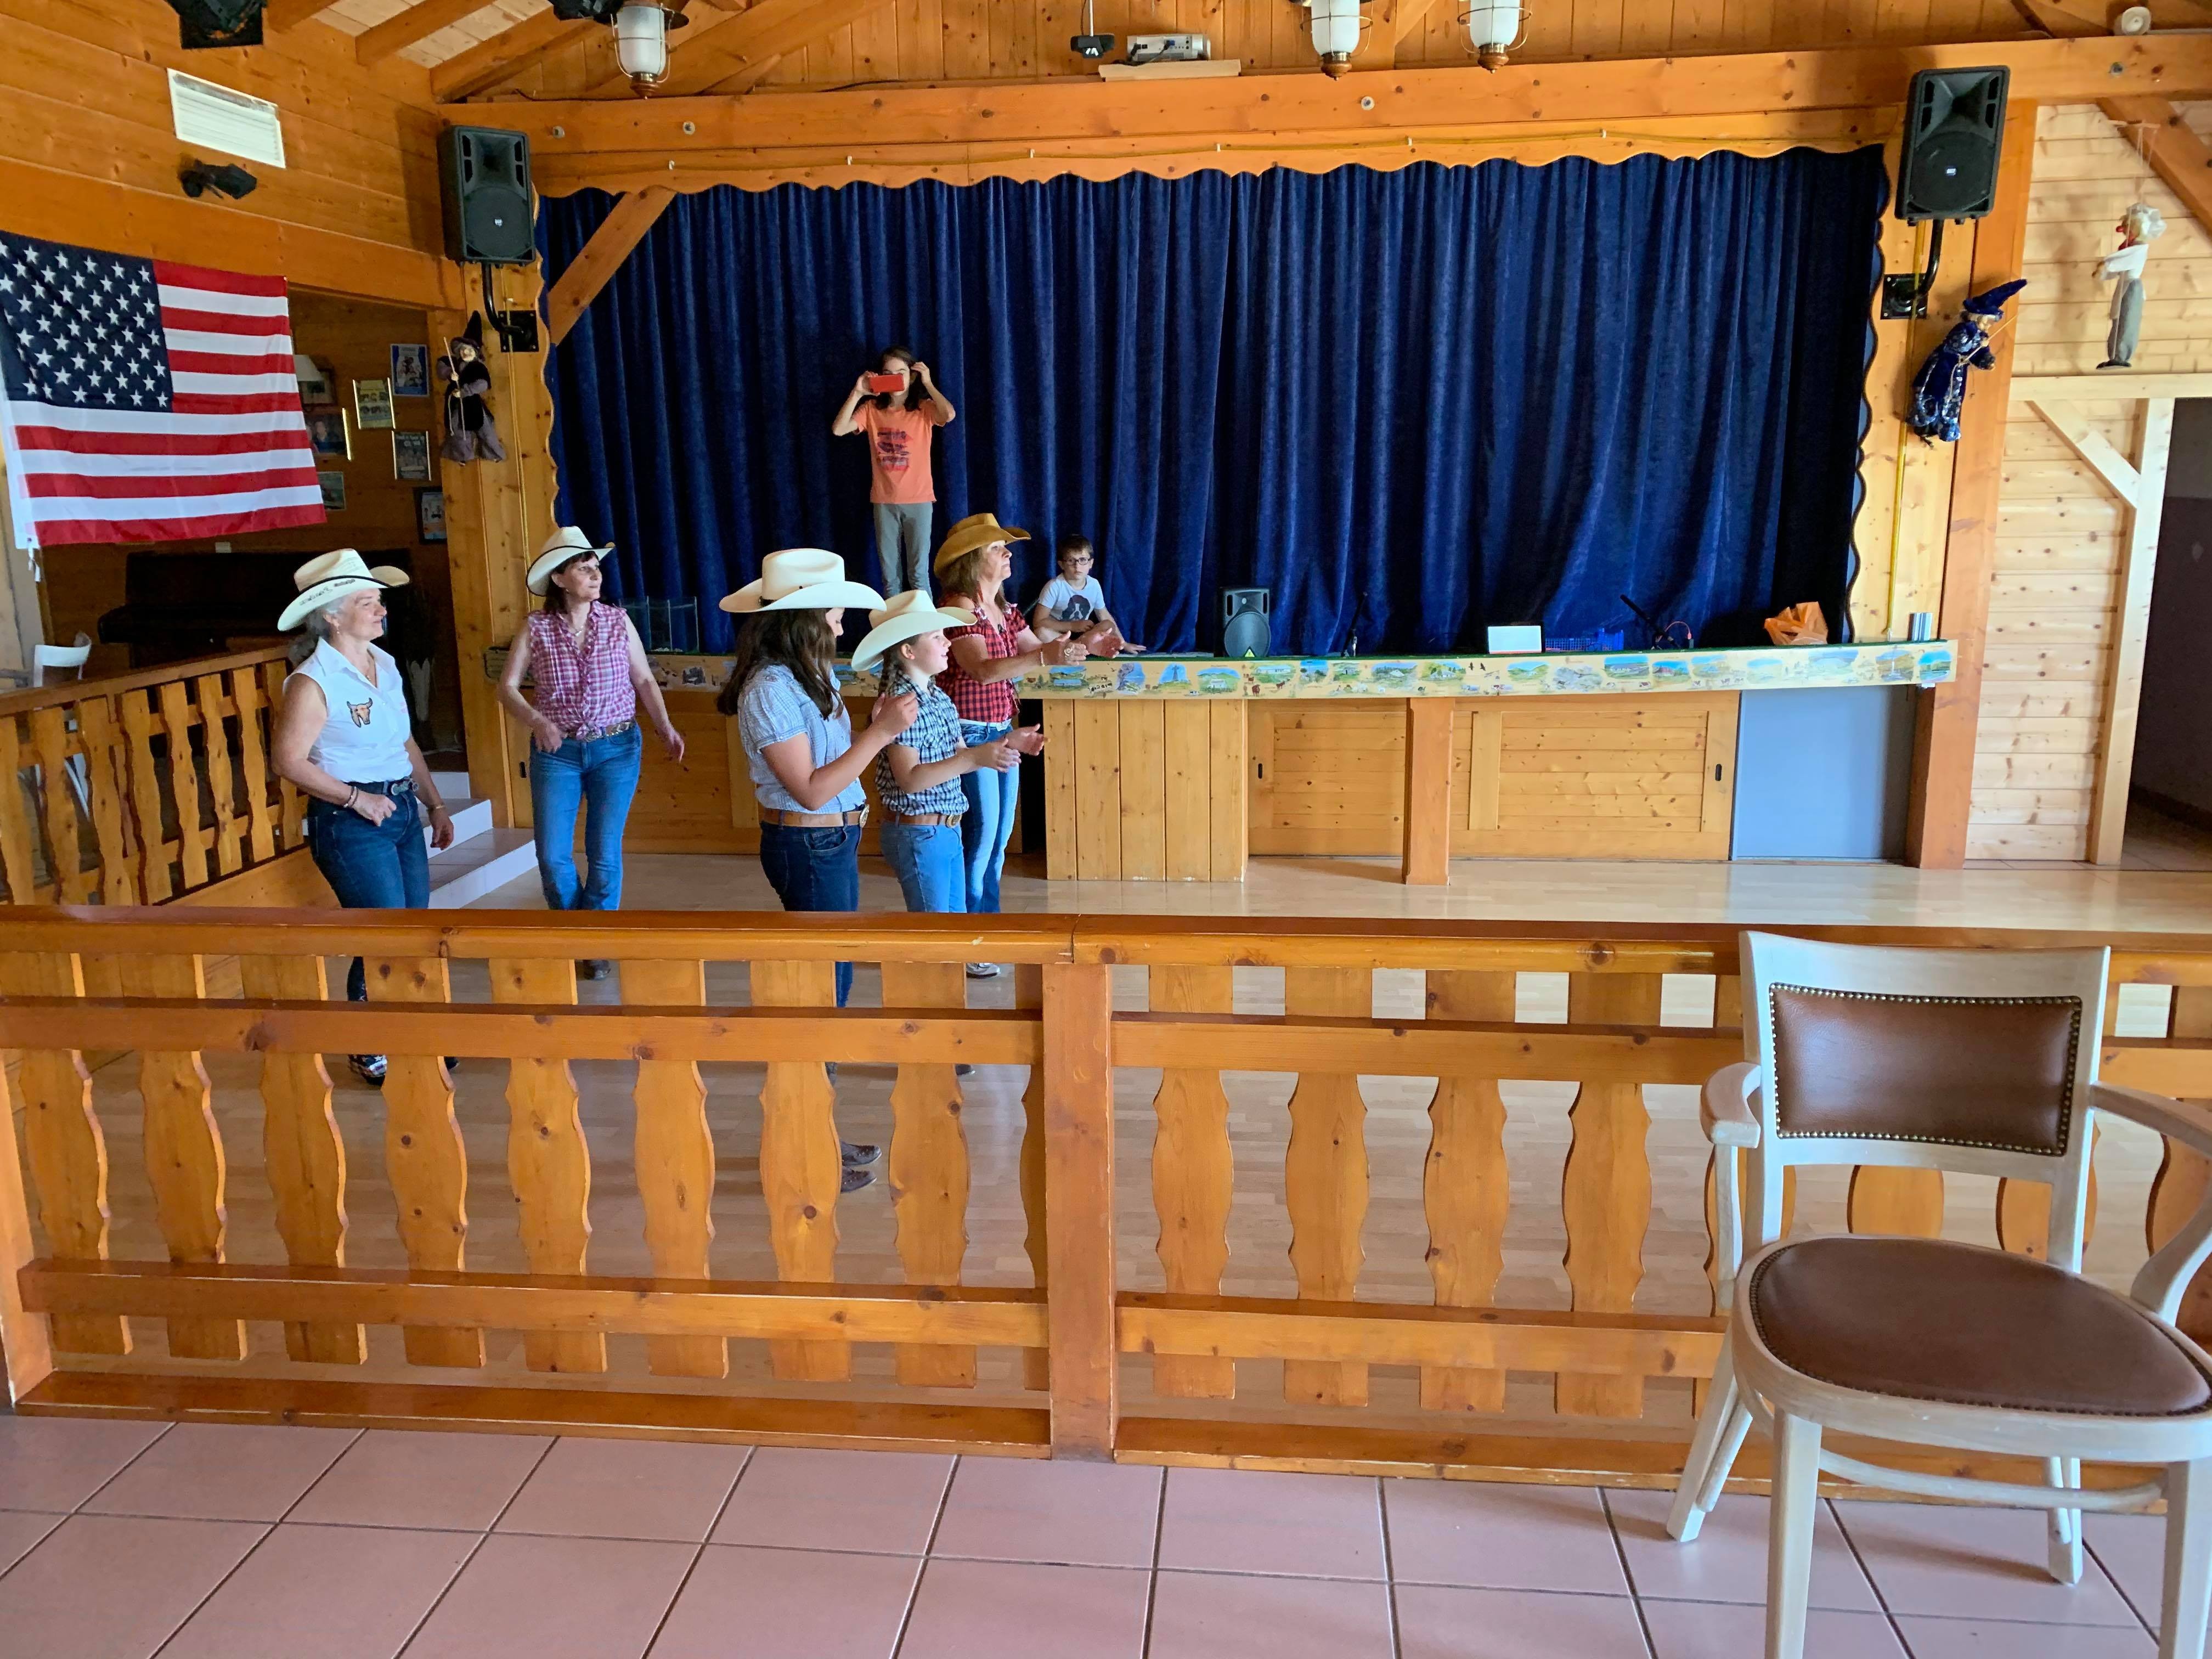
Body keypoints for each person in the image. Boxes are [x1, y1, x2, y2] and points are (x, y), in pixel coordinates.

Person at [718, 548, 915, 1189]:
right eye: (833, 609)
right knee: (818, 999)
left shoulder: (808, 676)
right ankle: (803, 1151)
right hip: (809, 847)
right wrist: (880, 733)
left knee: (830, 992)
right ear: (805, 616)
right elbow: (809, 789)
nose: (841, 620)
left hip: (831, 845)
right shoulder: (771, 688)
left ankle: (819, 1135)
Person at [269, 550, 455, 1088]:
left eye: (378, 600)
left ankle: (413, 1036)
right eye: (366, 602)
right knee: (382, 934)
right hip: (351, 821)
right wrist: (356, 799)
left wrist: (436, 803)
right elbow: (289, 762)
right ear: (331, 615)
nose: (380, 611)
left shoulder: (387, 664)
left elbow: (403, 741)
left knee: (413, 931)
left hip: (399, 810)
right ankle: (369, 1044)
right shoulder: (312, 682)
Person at [497, 526, 686, 979]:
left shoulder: (618, 621)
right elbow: (505, 688)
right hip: (556, 750)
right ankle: (575, 931)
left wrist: (664, 726)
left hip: (616, 748)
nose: (594, 574)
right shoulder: (535, 627)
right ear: (559, 580)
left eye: (596, 567)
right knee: (552, 854)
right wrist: (537, 721)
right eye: (583, 569)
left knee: (604, 852)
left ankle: (595, 939)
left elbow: (643, 679)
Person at [933, 512, 1086, 975]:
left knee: (998, 841)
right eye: (1000, 549)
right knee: (980, 840)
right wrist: (1044, 653)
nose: (1009, 554)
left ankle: (987, 929)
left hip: (1002, 731)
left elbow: (1036, 646)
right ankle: (972, 938)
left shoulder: (1003, 607)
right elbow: (982, 669)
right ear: (975, 559)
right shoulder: (958, 609)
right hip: (972, 733)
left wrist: (1086, 646)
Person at [851, 590, 1034, 916]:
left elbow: (962, 754)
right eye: (937, 637)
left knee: (953, 929)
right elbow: (909, 780)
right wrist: (975, 759)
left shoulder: (939, 698)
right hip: (919, 832)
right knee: (935, 934)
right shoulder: (900, 705)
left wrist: (1007, 741)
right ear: (908, 651)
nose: (948, 642)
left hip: (946, 828)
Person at [831, 347, 955, 597]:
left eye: (902, 372)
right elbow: (839, 429)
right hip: (884, 502)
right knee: (890, 579)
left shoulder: (923, 408)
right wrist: (858, 392)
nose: (896, 378)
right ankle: (897, 637)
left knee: (919, 576)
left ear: (912, 376)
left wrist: (929, 383)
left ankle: (928, 635)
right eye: (888, 373)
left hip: (919, 500)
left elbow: (949, 415)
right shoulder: (872, 409)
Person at [1028, 532, 1144, 654]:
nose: (1077, 566)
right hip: (1059, 635)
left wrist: (1124, 643)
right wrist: (1073, 626)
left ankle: (1076, 649)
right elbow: (1038, 622)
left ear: (1090, 563)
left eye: (1083, 560)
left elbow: (1104, 615)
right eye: (1071, 561)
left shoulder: (1094, 585)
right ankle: (1079, 649)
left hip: (1085, 636)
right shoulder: (1054, 586)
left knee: (1108, 625)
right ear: (1062, 564)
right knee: (1041, 632)